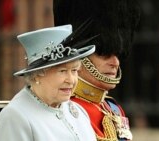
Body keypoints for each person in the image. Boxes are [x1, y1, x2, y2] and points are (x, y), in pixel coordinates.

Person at [0, 24, 97, 141]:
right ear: (37, 75)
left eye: (74, 71)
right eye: (62, 71)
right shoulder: (15, 116)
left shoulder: (77, 111)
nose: (71, 80)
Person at [53, 0, 140, 140]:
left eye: (117, 54)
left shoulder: (113, 109)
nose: (115, 62)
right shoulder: (63, 111)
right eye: (104, 54)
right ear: (79, 57)